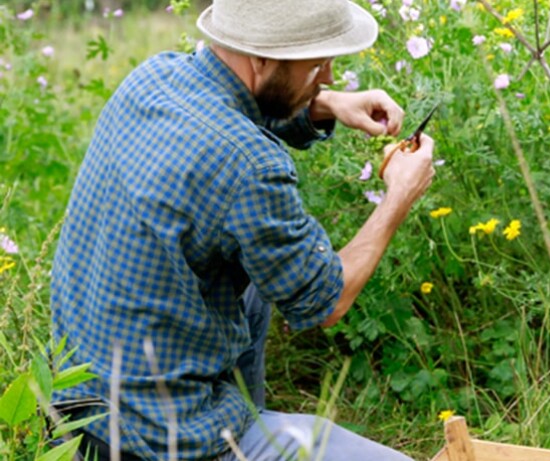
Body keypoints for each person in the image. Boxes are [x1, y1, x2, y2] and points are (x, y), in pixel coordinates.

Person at [50, 0, 434, 459]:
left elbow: (241, 102)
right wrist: (397, 198)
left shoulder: (153, 77)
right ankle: (233, 445)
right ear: (262, 58)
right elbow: (324, 299)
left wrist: (326, 105)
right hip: (160, 436)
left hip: (78, 403)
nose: (330, 75)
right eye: (316, 65)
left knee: (253, 282)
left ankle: (248, 421)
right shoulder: (249, 165)